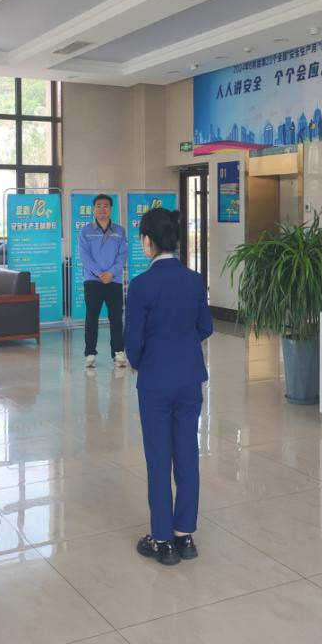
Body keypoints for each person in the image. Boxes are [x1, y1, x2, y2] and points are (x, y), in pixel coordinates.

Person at [124, 207, 212, 566]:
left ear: (148, 241)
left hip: (156, 382)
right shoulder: (194, 280)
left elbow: (133, 341)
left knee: (159, 458)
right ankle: (184, 535)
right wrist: (183, 344)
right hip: (190, 378)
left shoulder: (142, 284)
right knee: (187, 454)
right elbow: (206, 326)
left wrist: (140, 360)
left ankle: (161, 540)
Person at [79, 193, 129, 369]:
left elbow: (122, 255)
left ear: (111, 209)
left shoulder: (120, 231)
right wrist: (101, 274)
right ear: (93, 209)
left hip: (114, 281)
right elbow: (85, 257)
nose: (102, 209)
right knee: (91, 317)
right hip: (93, 280)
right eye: (98, 206)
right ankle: (90, 353)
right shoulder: (86, 231)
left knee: (116, 318)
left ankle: (118, 352)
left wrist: (111, 273)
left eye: (106, 206)